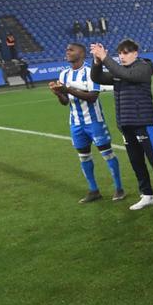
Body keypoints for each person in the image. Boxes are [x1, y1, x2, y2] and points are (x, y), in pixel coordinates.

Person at [90, 39, 153, 211]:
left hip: (143, 121)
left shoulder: (144, 67)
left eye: (126, 52)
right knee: (136, 161)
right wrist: (97, 62)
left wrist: (106, 57)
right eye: (120, 53)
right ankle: (147, 195)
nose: (122, 56)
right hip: (126, 123)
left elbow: (127, 75)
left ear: (136, 53)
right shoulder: (119, 71)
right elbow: (97, 77)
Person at [49, 42, 125, 203]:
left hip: (94, 122)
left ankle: (119, 188)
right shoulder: (63, 74)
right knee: (84, 157)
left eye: (71, 49)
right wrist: (57, 93)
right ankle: (93, 190)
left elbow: (93, 97)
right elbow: (65, 102)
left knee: (107, 154)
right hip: (76, 123)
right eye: (67, 49)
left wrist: (67, 89)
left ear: (81, 53)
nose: (67, 51)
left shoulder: (91, 72)